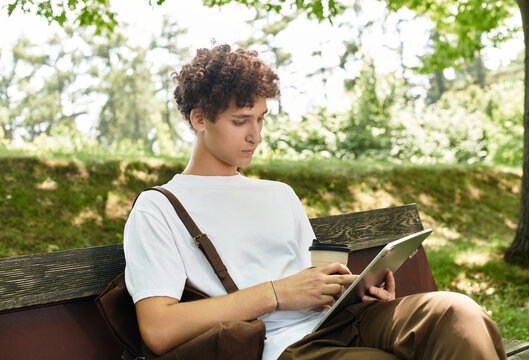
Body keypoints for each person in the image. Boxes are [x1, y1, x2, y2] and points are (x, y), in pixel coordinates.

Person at [124, 44, 506, 360]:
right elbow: (159, 329)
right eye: (241, 121)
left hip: (342, 323)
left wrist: (353, 291)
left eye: (261, 119)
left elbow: (316, 282)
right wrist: (277, 293)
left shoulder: (279, 194)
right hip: (280, 347)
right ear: (200, 119)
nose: (255, 135)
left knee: (460, 314)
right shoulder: (159, 208)